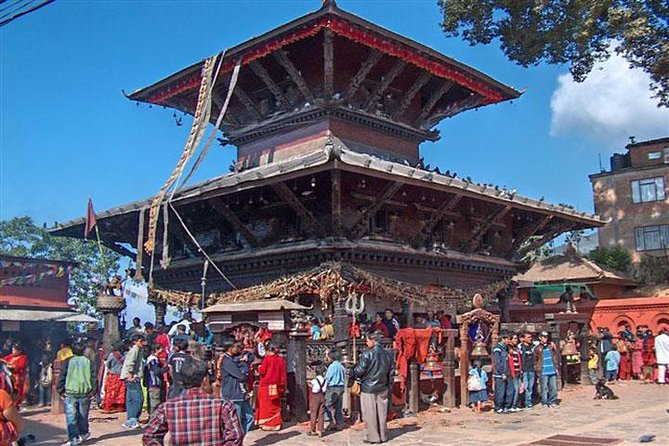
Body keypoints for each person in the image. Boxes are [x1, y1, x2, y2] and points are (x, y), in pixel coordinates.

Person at [142, 359, 244, 446]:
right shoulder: (223, 405)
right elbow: (235, 437)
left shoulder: (168, 407)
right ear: (205, 380)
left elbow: (149, 436)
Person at [351, 332, 394, 445]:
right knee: (382, 413)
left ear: (372, 341)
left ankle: (373, 437)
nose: (366, 343)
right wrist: (389, 385)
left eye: (367, 341)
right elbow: (391, 373)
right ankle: (383, 435)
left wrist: (353, 369)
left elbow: (359, 371)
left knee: (370, 414)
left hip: (368, 387)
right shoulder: (388, 354)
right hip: (383, 386)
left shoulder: (367, 354)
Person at [57, 341, 96, 446]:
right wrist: (93, 391)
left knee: (71, 417)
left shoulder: (67, 361)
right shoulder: (89, 362)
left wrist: (60, 390)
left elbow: (62, 376)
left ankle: (73, 439)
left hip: (70, 393)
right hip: (85, 393)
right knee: (83, 416)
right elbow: (94, 377)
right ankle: (84, 433)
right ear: (83, 350)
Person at [217, 340, 253, 435]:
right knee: (236, 421)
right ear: (230, 348)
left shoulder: (232, 359)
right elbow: (241, 376)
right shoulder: (227, 361)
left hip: (240, 393)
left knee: (249, 417)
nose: (238, 350)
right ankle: (235, 439)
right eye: (236, 347)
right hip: (233, 394)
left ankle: (239, 437)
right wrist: (244, 374)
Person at [256, 342, 287, 431]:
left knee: (265, 406)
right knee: (275, 405)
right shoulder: (281, 360)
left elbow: (262, 371)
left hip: (266, 386)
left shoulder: (267, 359)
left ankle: (266, 424)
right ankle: (276, 424)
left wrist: (259, 367)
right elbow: (283, 375)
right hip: (277, 386)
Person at [120, 334, 146, 429]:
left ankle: (131, 419)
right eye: (141, 341)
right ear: (136, 341)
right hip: (132, 377)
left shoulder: (137, 350)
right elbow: (131, 363)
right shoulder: (135, 349)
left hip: (128, 377)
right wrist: (130, 375)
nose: (143, 342)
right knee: (138, 399)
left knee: (130, 399)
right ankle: (133, 419)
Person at [533, 331, 559, 408]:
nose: (545, 339)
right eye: (544, 337)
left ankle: (552, 401)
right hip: (543, 370)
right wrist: (537, 369)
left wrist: (556, 367)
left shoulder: (551, 346)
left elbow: (555, 357)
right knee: (543, 388)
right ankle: (544, 402)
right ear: (540, 338)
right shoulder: (537, 348)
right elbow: (535, 360)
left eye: (546, 337)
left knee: (553, 387)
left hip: (552, 369)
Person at [1, 344, 28, 411]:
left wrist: (11, 366)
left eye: (14, 350)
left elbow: (20, 366)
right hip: (9, 376)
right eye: (12, 350)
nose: (12, 351)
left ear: (19, 351)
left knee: (17, 391)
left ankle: (16, 407)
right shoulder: (10, 356)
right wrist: (4, 362)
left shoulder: (23, 357)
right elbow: (3, 359)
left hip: (18, 377)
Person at [101, 342, 126, 413]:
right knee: (120, 392)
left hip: (113, 376)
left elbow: (108, 364)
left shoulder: (112, 355)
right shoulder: (125, 355)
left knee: (111, 391)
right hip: (121, 376)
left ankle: (108, 406)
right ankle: (120, 407)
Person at [324, 349, 345, 431]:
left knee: (327, 404)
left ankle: (329, 421)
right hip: (341, 387)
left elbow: (328, 377)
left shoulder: (332, 366)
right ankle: (339, 423)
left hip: (333, 388)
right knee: (338, 406)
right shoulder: (341, 366)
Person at [492, 332, 513, 414]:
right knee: (500, 392)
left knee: (509, 391)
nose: (509, 341)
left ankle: (506, 406)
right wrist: (502, 373)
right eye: (508, 339)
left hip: (508, 373)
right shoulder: (497, 348)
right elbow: (497, 362)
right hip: (500, 374)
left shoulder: (505, 348)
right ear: (503, 339)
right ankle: (498, 407)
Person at [144, 343, 166, 415]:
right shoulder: (153, 360)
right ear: (157, 349)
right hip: (154, 384)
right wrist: (167, 368)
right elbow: (157, 371)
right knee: (155, 404)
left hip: (151, 384)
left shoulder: (150, 359)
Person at [308, 364, 327, 437]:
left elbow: (313, 388)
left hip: (315, 397)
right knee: (321, 414)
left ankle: (313, 429)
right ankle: (320, 430)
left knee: (313, 413)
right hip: (322, 396)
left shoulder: (314, 380)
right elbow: (325, 389)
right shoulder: (325, 381)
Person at [519, 331, 535, 408]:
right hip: (524, 370)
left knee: (530, 387)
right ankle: (523, 402)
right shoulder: (520, 347)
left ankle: (528, 402)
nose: (530, 339)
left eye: (531, 337)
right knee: (524, 387)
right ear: (523, 338)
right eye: (528, 337)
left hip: (532, 370)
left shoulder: (533, 346)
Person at [507, 333, 523, 412]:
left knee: (519, 389)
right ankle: (512, 405)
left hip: (518, 371)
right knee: (515, 389)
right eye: (514, 338)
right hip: (512, 372)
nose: (516, 340)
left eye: (517, 338)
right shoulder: (507, 348)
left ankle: (515, 404)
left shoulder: (517, 348)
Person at [38, 340, 55, 407]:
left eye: (49, 344)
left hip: (49, 369)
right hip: (43, 369)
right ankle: (41, 401)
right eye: (47, 344)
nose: (48, 346)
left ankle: (48, 401)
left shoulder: (52, 354)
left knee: (48, 385)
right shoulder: (42, 354)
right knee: (42, 385)